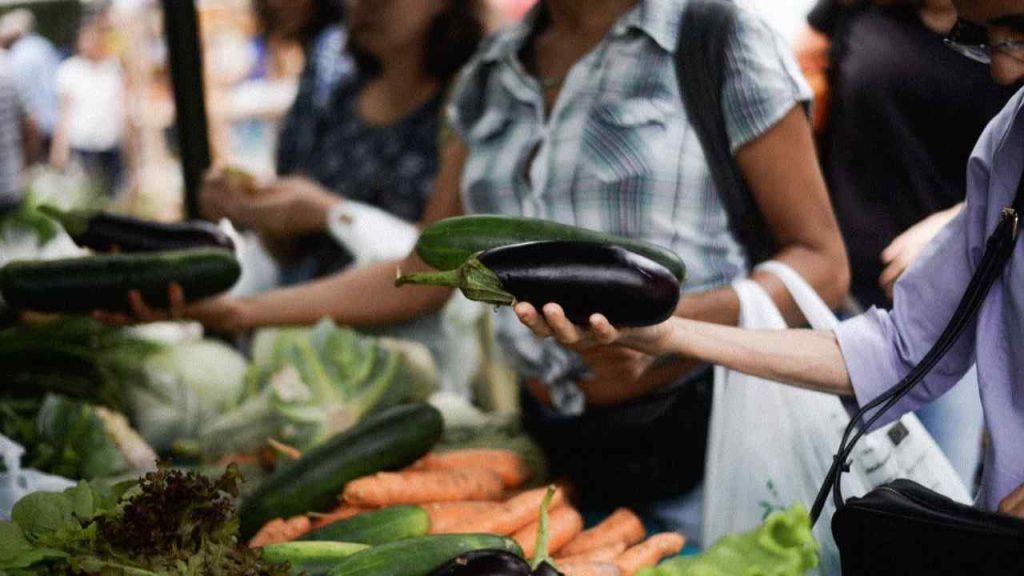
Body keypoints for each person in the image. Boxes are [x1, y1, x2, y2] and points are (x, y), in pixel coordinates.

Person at [103, 0, 849, 539]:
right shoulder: (486, 78)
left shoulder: (716, 37)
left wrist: (673, 331)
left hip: (712, 451)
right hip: (545, 467)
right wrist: (235, 313)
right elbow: (423, 265)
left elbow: (822, 262)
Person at [514, 0, 1024, 519]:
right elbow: (896, 351)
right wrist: (668, 333)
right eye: (981, 36)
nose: (1002, 68)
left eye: (1019, 30)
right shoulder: (1007, 147)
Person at [802, 0, 1017, 488]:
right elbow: (801, 88)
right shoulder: (857, 9)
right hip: (840, 301)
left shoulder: (1009, 54)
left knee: (934, 495)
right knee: (824, 486)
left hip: (950, 318)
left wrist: (957, 222)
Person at [201, 0, 485, 285]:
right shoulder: (333, 79)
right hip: (299, 312)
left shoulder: (469, 105)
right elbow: (289, 246)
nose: (365, 7)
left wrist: (329, 213)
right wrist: (254, 210)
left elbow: (440, 266)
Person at [50, 19, 128, 196]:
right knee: (87, 195)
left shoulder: (113, 67)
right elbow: (64, 114)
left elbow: (123, 108)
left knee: (113, 193)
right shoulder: (69, 70)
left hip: (110, 143)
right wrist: (59, 151)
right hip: (83, 145)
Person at [0, 9, 60, 157]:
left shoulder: (16, 54)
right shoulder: (45, 45)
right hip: (53, 120)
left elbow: (20, 95)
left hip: (34, 126)